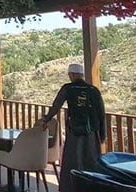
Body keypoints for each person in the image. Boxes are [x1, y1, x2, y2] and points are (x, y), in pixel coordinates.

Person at [41, 63, 106, 192]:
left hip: (74, 132)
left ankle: (70, 188)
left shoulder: (68, 88)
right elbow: (101, 113)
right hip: (91, 133)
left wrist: (46, 119)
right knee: (91, 161)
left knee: (72, 162)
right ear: (81, 75)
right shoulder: (93, 90)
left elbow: (56, 106)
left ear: (72, 75)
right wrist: (102, 134)